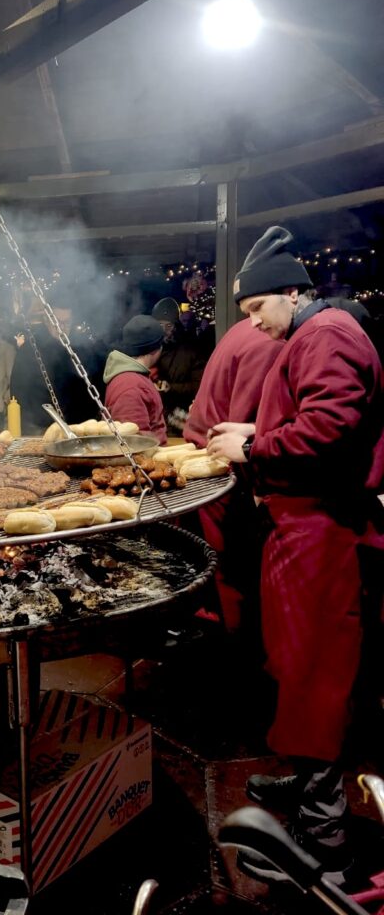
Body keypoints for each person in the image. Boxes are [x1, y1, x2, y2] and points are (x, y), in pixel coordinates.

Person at [207, 225, 384, 887]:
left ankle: (325, 844)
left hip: (322, 533)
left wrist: (254, 450)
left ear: (289, 292)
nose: (254, 324)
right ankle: (309, 781)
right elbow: (316, 413)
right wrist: (256, 428)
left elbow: (333, 428)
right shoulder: (310, 335)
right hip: (299, 529)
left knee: (315, 676)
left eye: (255, 309)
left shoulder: (328, 331)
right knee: (294, 666)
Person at [184, 319, 284, 632]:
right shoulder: (270, 341)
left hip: (208, 458)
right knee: (236, 573)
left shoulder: (245, 330)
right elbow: (243, 419)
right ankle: (243, 657)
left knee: (223, 570)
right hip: (223, 469)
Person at [10, 294, 101, 435]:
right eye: (57, 322)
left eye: (67, 323)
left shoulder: (82, 349)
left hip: (80, 430)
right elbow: (19, 395)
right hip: (42, 432)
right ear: (46, 320)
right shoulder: (30, 352)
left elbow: (93, 389)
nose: (62, 328)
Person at [103, 316, 167, 443]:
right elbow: (134, 443)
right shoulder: (131, 386)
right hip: (146, 460)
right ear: (156, 349)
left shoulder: (135, 377)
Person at [151, 297, 206, 432]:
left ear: (176, 326)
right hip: (155, 418)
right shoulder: (150, 350)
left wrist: (171, 388)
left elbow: (199, 386)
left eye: (168, 326)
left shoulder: (192, 351)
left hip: (180, 417)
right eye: (159, 326)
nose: (164, 331)